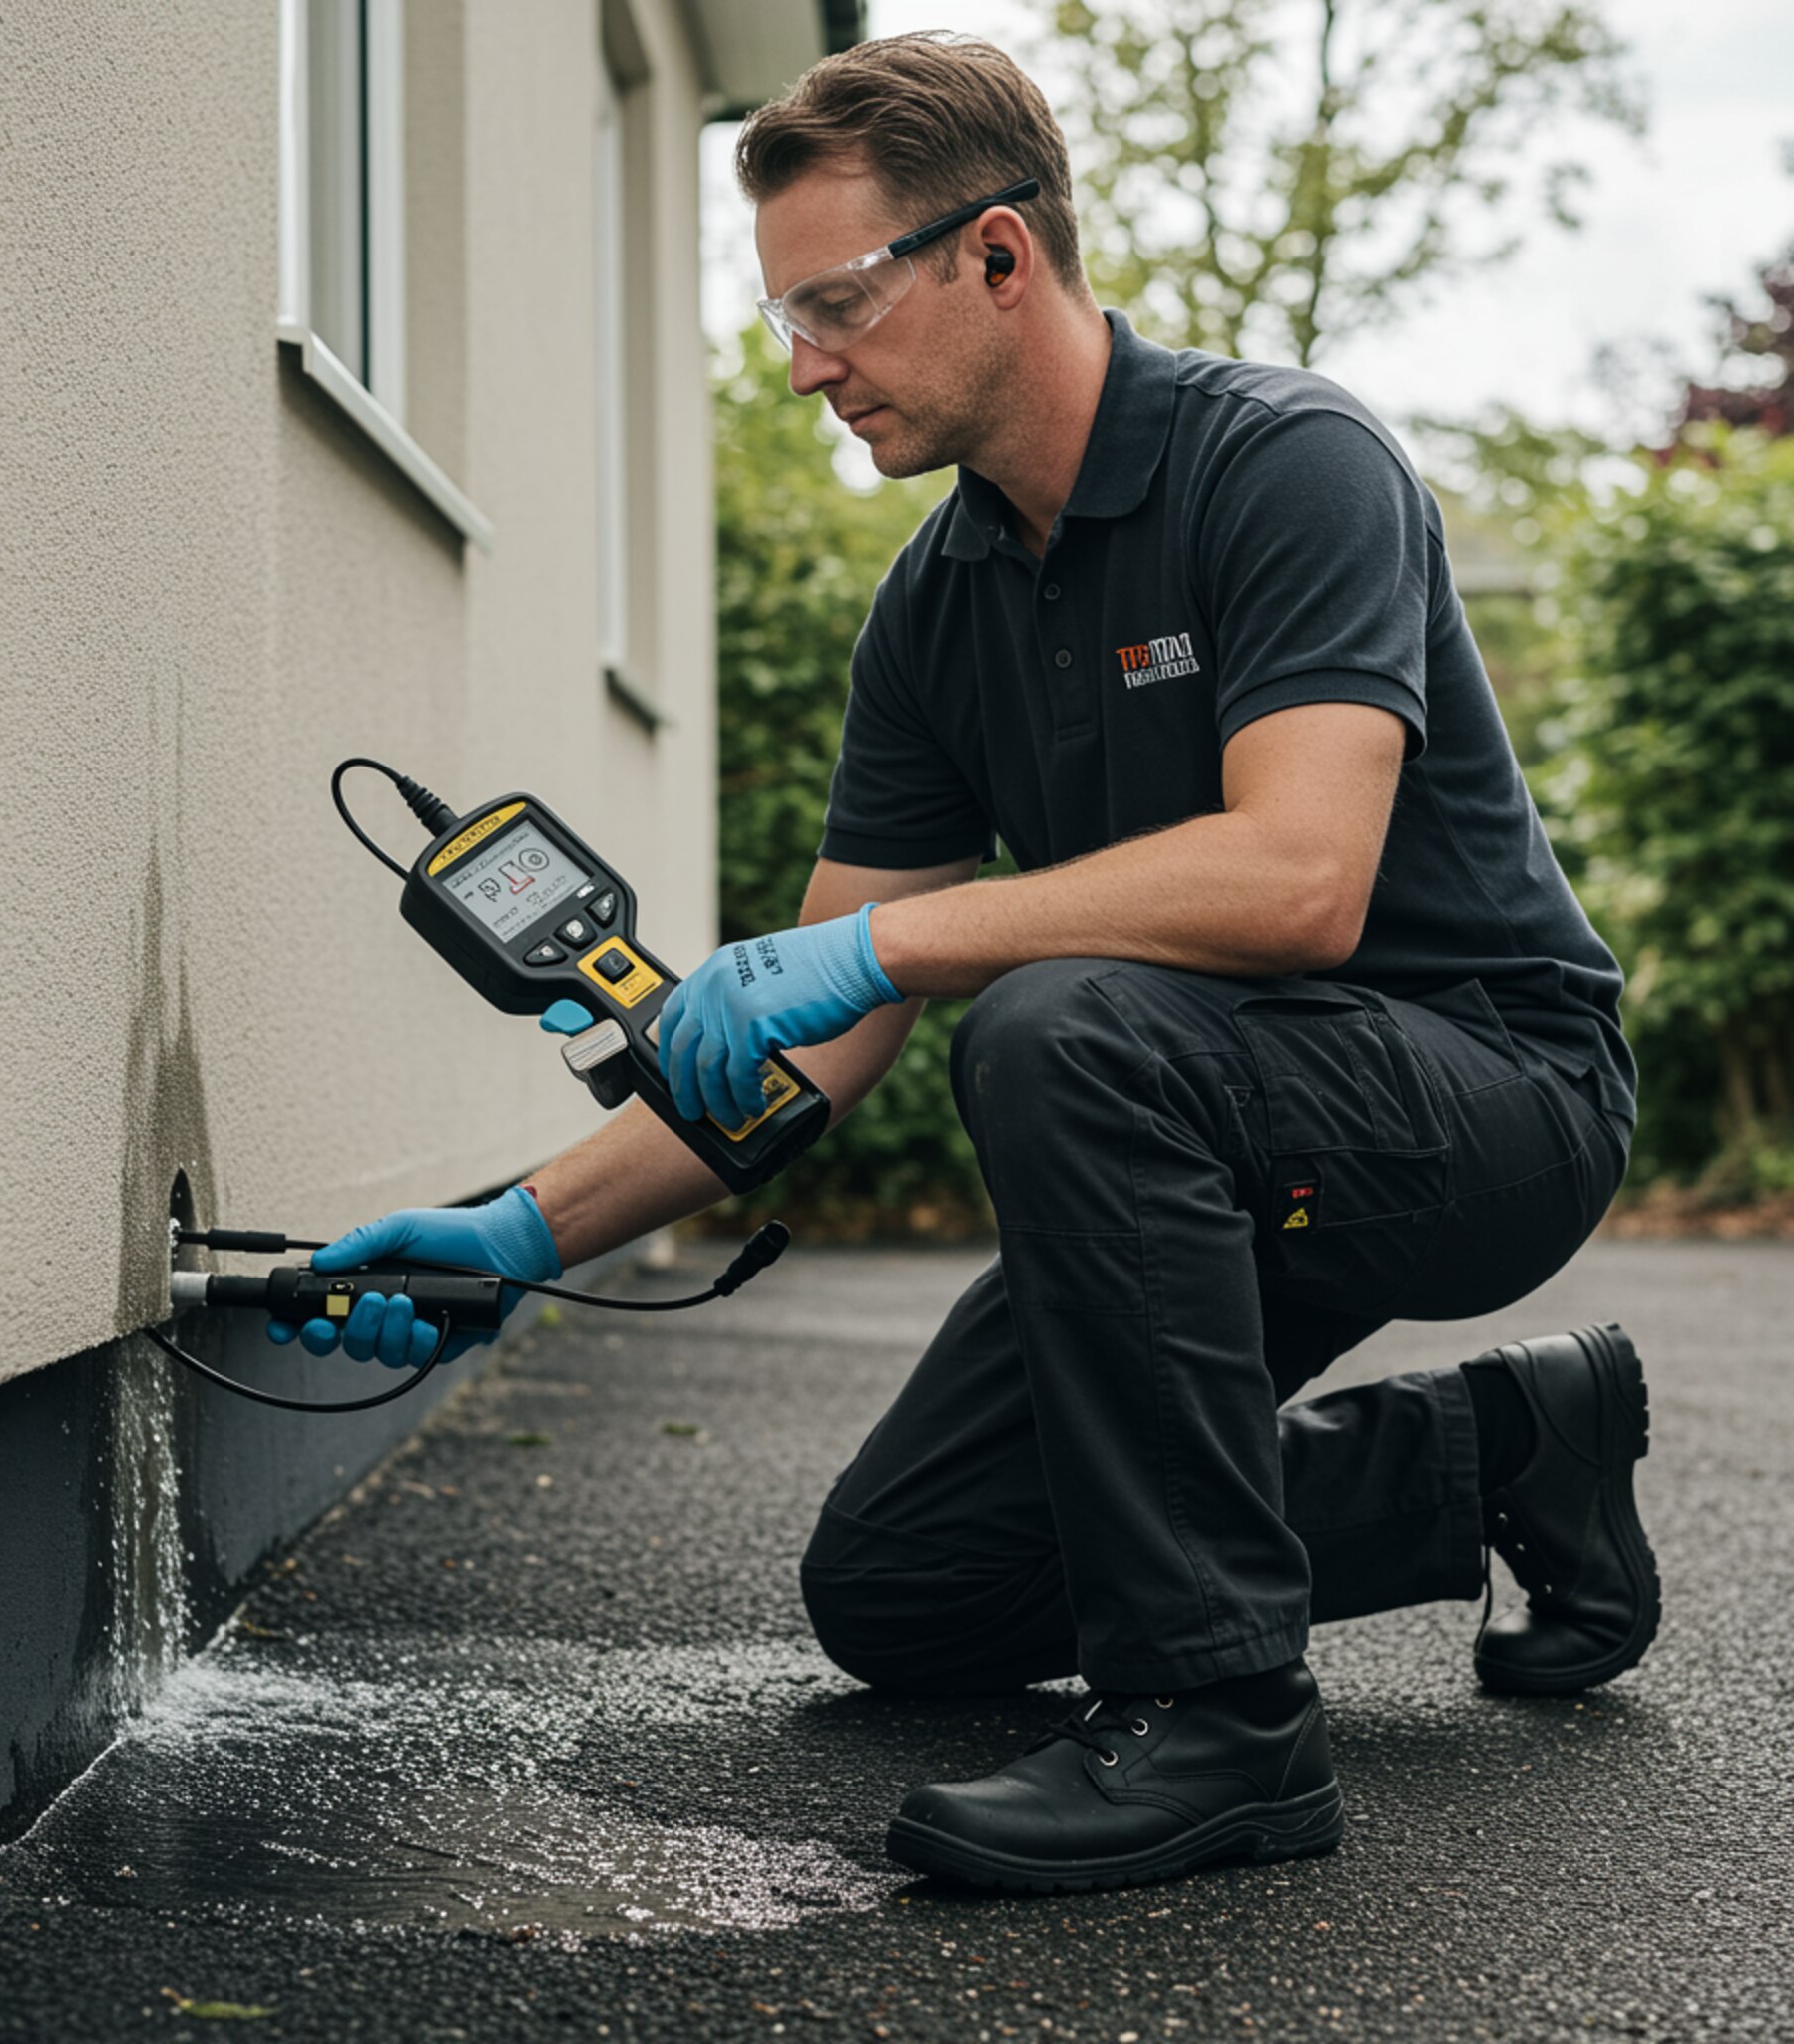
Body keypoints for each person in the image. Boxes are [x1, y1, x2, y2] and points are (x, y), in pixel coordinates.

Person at [274, 32, 1659, 1896]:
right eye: (782, 318)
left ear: (998, 257)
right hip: (1211, 1111)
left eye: (837, 304)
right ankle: (1506, 1448)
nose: (807, 363)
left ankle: (1222, 1725)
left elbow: (1304, 879)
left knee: (1056, 1023)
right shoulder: (934, 609)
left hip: (1483, 1097)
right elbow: (807, 1059)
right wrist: (515, 1237)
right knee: (911, 1587)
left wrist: (874, 942)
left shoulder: (1285, 465)